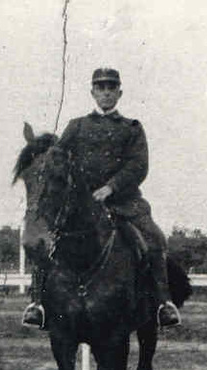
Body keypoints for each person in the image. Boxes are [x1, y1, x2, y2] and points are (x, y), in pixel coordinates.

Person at [21, 67, 181, 329]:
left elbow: (138, 166)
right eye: (101, 88)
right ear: (93, 92)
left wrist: (111, 187)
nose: (106, 93)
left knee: (155, 238)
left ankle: (164, 303)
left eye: (111, 88)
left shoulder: (132, 128)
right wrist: (41, 150)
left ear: (119, 93)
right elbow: (58, 158)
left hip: (124, 202)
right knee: (47, 238)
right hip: (82, 205)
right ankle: (37, 303)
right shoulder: (77, 125)